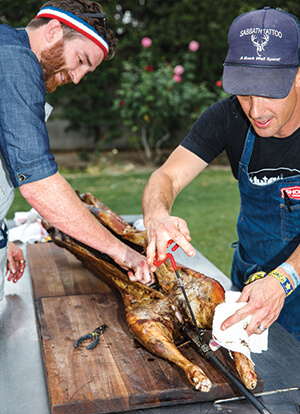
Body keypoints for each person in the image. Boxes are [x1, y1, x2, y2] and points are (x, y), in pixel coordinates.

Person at [142, 7, 300, 341]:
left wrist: (284, 278)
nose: (256, 111)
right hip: (250, 283)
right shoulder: (227, 118)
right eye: (245, 92)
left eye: (270, 91)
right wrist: (157, 215)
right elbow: (166, 176)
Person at [0, 0, 153, 300]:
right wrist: (121, 253)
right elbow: (38, 185)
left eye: (88, 70)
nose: (78, 77)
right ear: (54, 30)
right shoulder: (15, 59)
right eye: (81, 60)